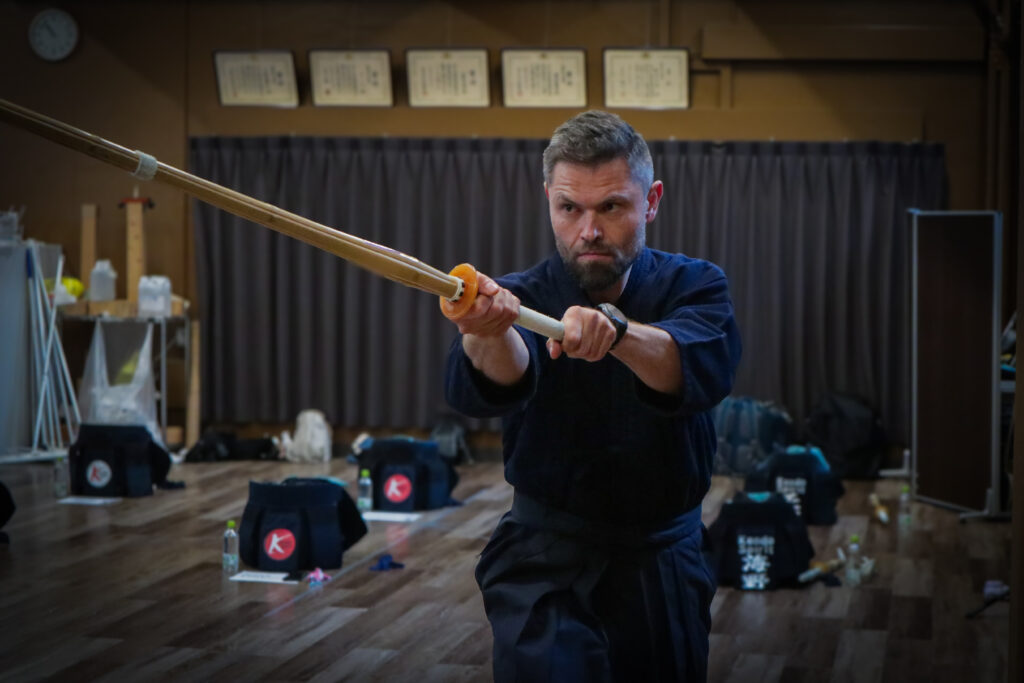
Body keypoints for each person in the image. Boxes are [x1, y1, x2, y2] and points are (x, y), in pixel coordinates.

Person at [442, 110, 742, 682]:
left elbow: (695, 365)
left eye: (611, 207)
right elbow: (503, 376)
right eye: (569, 208)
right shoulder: (520, 297)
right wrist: (488, 331)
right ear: (548, 201)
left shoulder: (695, 286)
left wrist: (618, 333)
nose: (589, 231)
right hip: (543, 559)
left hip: (662, 557)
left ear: (651, 201)